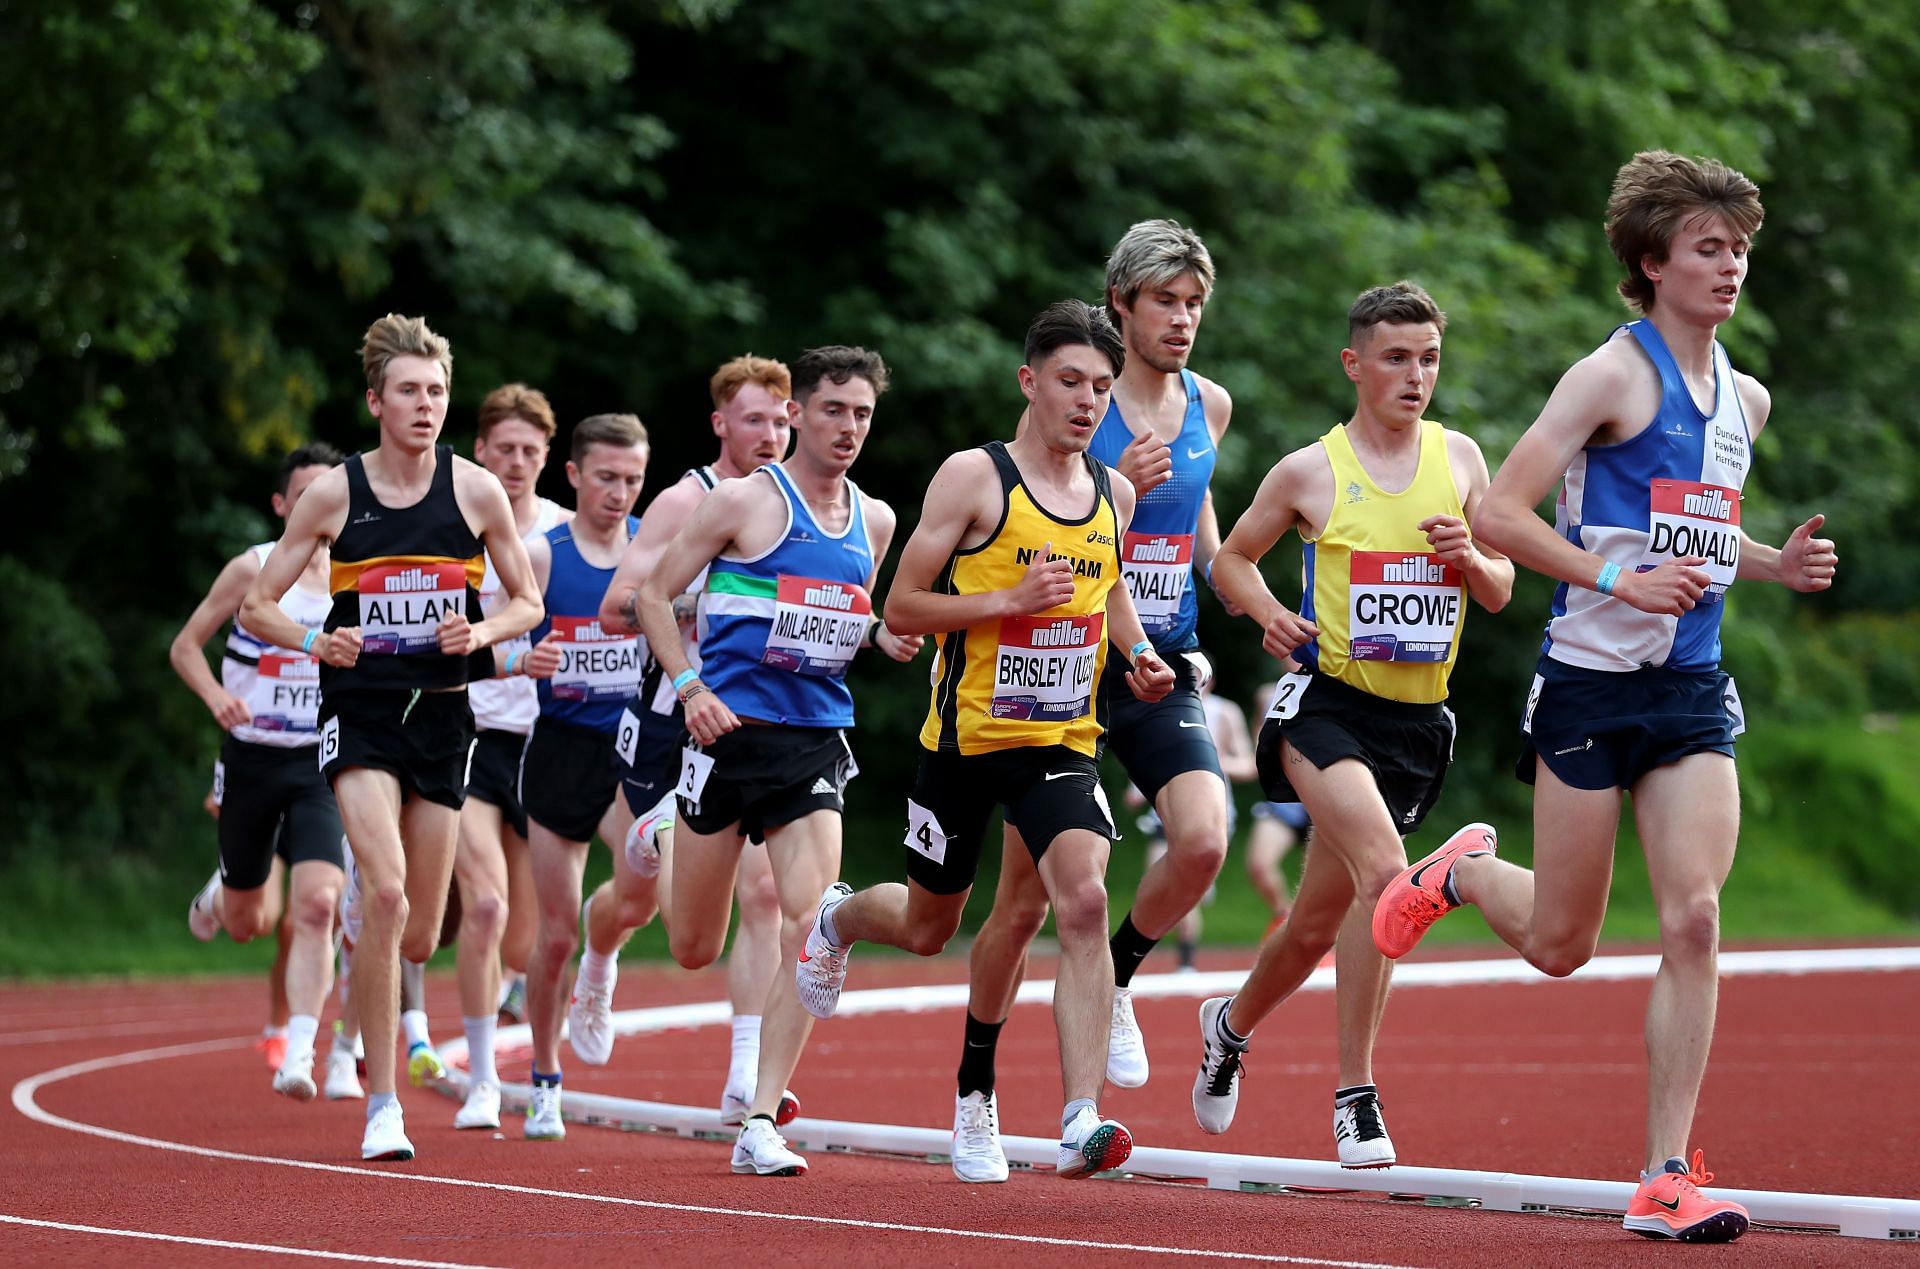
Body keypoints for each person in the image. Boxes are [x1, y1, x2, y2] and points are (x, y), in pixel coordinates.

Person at [1372, 152, 1836, 1244]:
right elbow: (1503, 517)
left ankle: (1665, 1174)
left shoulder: (1747, 402)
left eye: (1740, 250)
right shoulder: (1609, 378)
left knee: (1696, 914)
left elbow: (1699, 537)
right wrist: (1615, 580)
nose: (1732, 268)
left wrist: (1774, 564)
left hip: (1689, 690)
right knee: (1563, 946)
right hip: (1586, 683)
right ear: (1652, 261)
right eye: (1709, 249)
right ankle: (1470, 871)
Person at [786, 303, 1173, 1184]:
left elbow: (1108, 590)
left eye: (1102, 389)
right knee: (932, 927)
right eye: (1070, 382)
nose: (1085, 402)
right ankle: (838, 919)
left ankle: (1078, 1116)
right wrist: (1003, 604)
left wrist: (1140, 653)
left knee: (1076, 902)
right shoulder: (975, 478)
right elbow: (901, 607)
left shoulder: (1114, 492)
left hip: (1063, 739)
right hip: (965, 739)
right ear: (1029, 381)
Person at [1191, 282, 1512, 1172]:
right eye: (1399, 358)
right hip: (1327, 708)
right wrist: (1265, 614)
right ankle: (1356, 1096)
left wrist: (1471, 557)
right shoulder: (1310, 471)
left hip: (1419, 722)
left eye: (1431, 358)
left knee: (1309, 925)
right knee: (1387, 882)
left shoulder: (1464, 460)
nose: (1417, 376)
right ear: (1356, 364)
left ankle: (1228, 1025)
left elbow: (1501, 589)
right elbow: (1229, 558)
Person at [955, 225, 1235, 1149]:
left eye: (1194, 302)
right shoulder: (1086, 409)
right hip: (1063, 673)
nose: (1183, 319)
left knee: (1203, 841)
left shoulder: (1210, 406)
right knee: (1026, 902)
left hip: (1157, 659)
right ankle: (977, 1079)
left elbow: (1203, 533)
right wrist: (1122, 484)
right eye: (1165, 301)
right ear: (1121, 303)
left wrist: (1260, 604)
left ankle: (1118, 974)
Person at [240, 314, 543, 1162]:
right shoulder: (336, 493)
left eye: (437, 391)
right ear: (376, 400)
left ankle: (363, 968)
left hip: (444, 719)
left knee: (417, 931)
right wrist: (313, 641)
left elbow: (526, 603)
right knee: (386, 892)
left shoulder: (477, 490)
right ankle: (384, 1104)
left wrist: (481, 636)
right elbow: (258, 604)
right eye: (408, 390)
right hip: (361, 713)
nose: (425, 405)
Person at [635, 345, 919, 1176]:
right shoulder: (741, 502)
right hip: (723, 736)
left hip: (813, 741)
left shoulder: (875, 520)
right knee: (693, 944)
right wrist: (689, 688)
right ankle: (664, 835)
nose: (850, 428)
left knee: (809, 921)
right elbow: (655, 595)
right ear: (797, 412)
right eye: (834, 409)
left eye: (863, 413)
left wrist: (879, 632)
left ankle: (761, 1118)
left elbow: (834, 614)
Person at [595, 355, 803, 1125]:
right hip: (667, 716)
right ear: (722, 423)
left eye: (783, 420)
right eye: (755, 419)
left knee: (767, 892)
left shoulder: (798, 504)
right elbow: (621, 603)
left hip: (748, 721)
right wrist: (705, 591)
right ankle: (600, 952)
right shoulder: (691, 497)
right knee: (658, 915)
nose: (771, 434)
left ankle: (746, 1074)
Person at [172, 443, 349, 1103]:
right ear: (281, 504)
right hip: (251, 757)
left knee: (320, 904)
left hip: (319, 761)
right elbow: (186, 645)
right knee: (249, 921)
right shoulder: (250, 568)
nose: (314, 507)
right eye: (301, 495)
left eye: (324, 496)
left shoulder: (352, 578)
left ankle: (299, 1049)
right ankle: (219, 895)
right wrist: (217, 696)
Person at [512, 413, 652, 1141]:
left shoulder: (653, 551)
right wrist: (518, 659)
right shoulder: (540, 554)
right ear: (572, 475)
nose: (620, 492)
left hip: (629, 747)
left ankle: (605, 960)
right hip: (561, 747)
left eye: (633, 479)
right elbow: (487, 638)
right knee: (555, 933)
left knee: (644, 891)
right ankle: (544, 1076)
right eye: (606, 477)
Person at [451, 383, 570, 1130]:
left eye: (532, 451)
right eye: (506, 450)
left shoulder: (567, 531)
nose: (519, 462)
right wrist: (501, 662)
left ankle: (504, 1006)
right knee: (486, 908)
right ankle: (483, 1081)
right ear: (480, 453)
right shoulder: (455, 529)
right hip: (470, 735)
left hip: (548, 744)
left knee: (527, 942)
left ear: (548, 457)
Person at [1245, 681, 1310, 931]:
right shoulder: (1267, 693)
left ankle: (1323, 938)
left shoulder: (1340, 681)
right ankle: (1284, 921)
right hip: (1286, 799)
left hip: (1326, 796)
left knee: (1320, 881)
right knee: (1259, 864)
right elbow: (1258, 742)